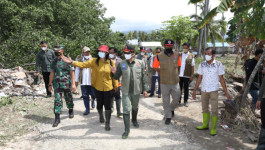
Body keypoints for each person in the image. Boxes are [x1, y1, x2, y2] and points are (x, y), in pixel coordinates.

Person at [62, 45, 118, 131]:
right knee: (99, 105)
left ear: (106, 53)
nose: (101, 53)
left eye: (103, 52)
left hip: (108, 88)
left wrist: (116, 86)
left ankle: (107, 123)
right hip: (98, 87)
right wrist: (72, 62)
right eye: (100, 51)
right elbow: (83, 64)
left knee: (108, 106)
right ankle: (101, 116)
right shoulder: (94, 61)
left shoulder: (110, 62)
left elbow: (114, 75)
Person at [111, 45, 148, 139]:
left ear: (132, 53)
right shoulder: (121, 63)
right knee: (126, 110)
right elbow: (116, 77)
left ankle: (134, 120)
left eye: (127, 53)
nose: (125, 54)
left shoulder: (140, 63)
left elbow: (144, 77)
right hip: (126, 91)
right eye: (124, 53)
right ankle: (127, 130)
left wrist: (145, 90)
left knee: (135, 107)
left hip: (136, 91)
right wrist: (113, 72)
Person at [192, 48, 231, 136]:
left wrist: (226, 92)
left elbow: (221, 79)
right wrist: (195, 90)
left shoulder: (218, 64)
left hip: (214, 90)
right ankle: (205, 125)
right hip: (204, 89)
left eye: (209, 54)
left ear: (213, 55)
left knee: (214, 109)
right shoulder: (202, 64)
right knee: (204, 108)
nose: (207, 55)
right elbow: (199, 78)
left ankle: (213, 128)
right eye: (206, 53)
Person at [152, 39, 182, 125]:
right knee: (166, 100)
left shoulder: (177, 55)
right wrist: (161, 72)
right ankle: (168, 116)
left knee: (177, 98)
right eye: (167, 45)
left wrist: (175, 73)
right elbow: (155, 66)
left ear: (173, 46)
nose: (169, 47)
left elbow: (179, 66)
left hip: (175, 82)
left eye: (171, 45)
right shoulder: (159, 56)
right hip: (164, 82)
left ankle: (172, 109)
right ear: (164, 46)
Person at [48, 45, 76, 127]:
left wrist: (73, 84)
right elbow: (52, 73)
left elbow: (72, 73)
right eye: (55, 52)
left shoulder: (68, 60)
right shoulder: (53, 61)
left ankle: (70, 110)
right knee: (57, 100)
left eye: (58, 51)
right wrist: (50, 84)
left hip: (67, 83)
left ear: (62, 51)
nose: (57, 53)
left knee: (68, 98)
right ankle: (57, 118)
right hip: (57, 84)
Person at [75, 46, 96, 115]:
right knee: (85, 95)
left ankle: (93, 99)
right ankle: (87, 109)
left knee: (93, 94)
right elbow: (77, 70)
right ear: (83, 53)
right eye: (86, 52)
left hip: (91, 81)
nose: (87, 53)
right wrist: (76, 80)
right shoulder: (79, 59)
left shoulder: (93, 60)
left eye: (88, 52)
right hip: (83, 81)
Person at [109, 47, 123, 117]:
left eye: (112, 52)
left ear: (115, 53)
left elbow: (123, 71)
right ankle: (111, 108)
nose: (110, 54)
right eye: (109, 53)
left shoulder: (120, 61)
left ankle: (119, 111)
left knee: (118, 96)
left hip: (118, 81)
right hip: (109, 81)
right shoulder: (107, 60)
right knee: (110, 95)